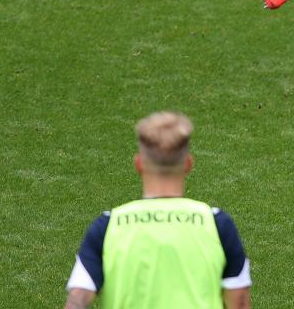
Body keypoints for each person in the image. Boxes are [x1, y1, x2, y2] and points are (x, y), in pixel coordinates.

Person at [63, 112, 252, 309]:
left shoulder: (108, 226)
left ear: (138, 164)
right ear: (188, 164)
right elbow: (239, 304)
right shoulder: (217, 225)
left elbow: (77, 301)